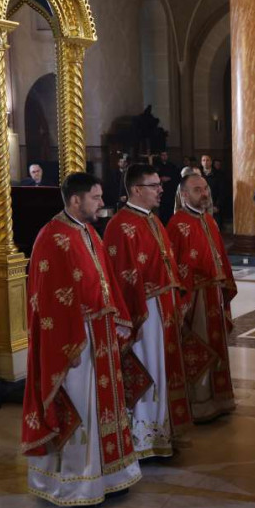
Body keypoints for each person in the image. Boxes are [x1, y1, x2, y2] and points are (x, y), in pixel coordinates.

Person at [21, 173, 142, 506]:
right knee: (82, 410)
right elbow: (46, 302)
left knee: (107, 407)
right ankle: (78, 483)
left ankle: (113, 474)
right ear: (76, 200)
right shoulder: (51, 237)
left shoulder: (88, 232)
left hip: (99, 335)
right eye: (95, 197)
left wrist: (116, 319)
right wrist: (66, 347)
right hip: (74, 342)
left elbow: (106, 282)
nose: (102, 202)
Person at [104, 164, 190, 459]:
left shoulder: (152, 220)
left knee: (163, 368)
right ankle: (141, 439)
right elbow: (119, 278)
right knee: (148, 368)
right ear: (137, 190)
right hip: (142, 313)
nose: (161, 190)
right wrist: (128, 320)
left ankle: (160, 431)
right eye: (154, 185)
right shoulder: (120, 225)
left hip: (162, 309)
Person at [168, 173, 238, 422]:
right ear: (184, 194)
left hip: (214, 294)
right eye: (198, 190)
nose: (204, 194)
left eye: (205, 189)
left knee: (218, 346)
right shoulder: (177, 224)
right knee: (200, 346)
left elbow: (219, 256)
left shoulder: (209, 220)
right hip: (195, 298)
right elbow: (175, 266)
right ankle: (199, 402)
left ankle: (220, 398)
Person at [156, 151, 180, 226]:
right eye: (162, 155)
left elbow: (177, 178)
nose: (164, 157)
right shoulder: (157, 166)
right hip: (161, 193)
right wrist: (160, 179)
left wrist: (169, 179)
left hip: (170, 192)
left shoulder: (172, 166)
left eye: (165, 155)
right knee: (162, 211)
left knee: (170, 210)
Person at [200, 154, 224, 227]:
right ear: (201, 162)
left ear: (211, 162)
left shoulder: (218, 175)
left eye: (207, 160)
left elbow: (222, 192)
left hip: (214, 206)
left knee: (214, 229)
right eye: (203, 160)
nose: (205, 162)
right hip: (200, 207)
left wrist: (217, 205)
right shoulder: (198, 174)